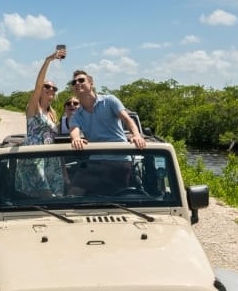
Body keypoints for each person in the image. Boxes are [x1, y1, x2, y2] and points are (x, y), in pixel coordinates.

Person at [17, 47, 67, 197]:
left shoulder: (53, 114)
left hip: (51, 158)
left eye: (54, 88)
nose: (50, 89)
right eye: (47, 86)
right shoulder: (33, 108)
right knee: (43, 194)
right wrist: (48, 60)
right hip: (34, 157)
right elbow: (37, 85)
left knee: (57, 195)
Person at [67, 70, 146, 150]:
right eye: (74, 82)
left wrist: (136, 135)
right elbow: (74, 130)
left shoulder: (110, 100)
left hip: (120, 156)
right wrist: (76, 139)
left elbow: (127, 119)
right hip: (95, 159)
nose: (77, 83)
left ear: (91, 84)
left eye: (81, 80)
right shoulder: (76, 114)